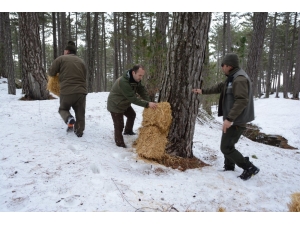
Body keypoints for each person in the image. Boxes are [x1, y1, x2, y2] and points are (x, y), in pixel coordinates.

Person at [192, 53, 259, 180]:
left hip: (236, 120)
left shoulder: (239, 79)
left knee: (226, 147)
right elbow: (220, 87)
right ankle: (229, 167)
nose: (222, 67)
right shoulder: (232, 77)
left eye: (223, 65)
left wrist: (229, 119)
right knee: (228, 144)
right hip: (233, 119)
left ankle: (250, 168)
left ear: (229, 66)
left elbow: (242, 101)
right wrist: (202, 91)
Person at [107, 64, 157, 148]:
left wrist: (148, 101)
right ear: (133, 73)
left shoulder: (136, 80)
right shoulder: (123, 82)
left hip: (124, 103)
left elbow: (142, 90)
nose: (141, 77)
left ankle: (128, 131)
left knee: (132, 115)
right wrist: (147, 104)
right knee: (119, 125)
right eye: (139, 75)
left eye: (142, 75)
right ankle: (119, 143)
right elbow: (133, 99)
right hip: (116, 105)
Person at [48, 41, 87, 137]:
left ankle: (68, 118)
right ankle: (79, 132)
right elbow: (84, 76)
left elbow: (51, 72)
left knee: (63, 109)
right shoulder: (81, 61)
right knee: (80, 113)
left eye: (65, 50)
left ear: (67, 51)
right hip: (81, 92)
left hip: (67, 91)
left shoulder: (61, 59)